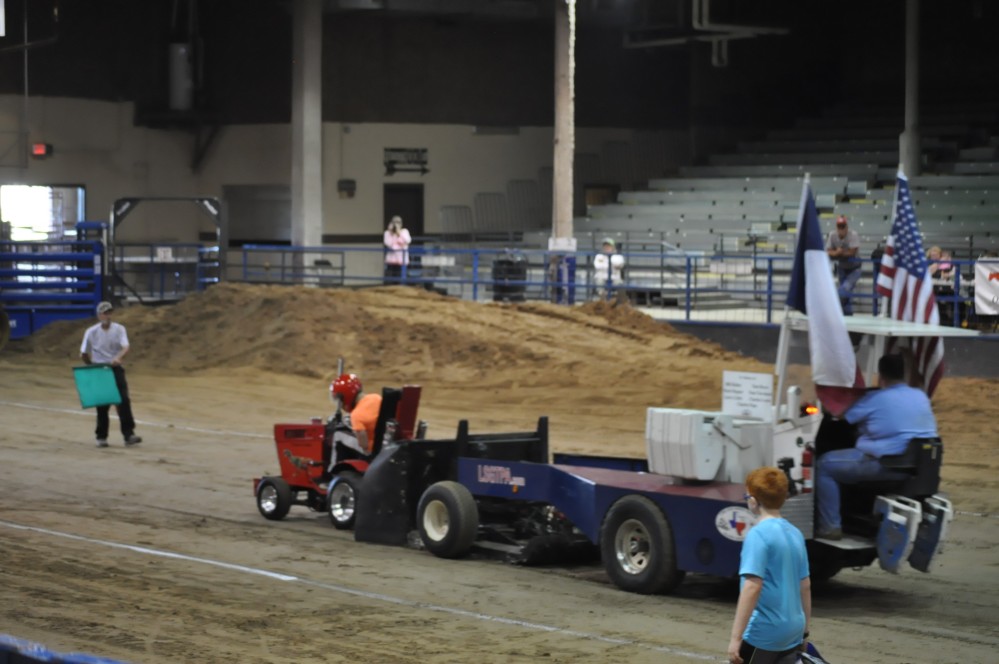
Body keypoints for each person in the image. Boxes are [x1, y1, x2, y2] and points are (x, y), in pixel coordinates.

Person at [815, 354, 938, 539]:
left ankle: (830, 526)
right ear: (903, 374)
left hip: (886, 463)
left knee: (824, 465)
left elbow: (840, 415)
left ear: (881, 376)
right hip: (919, 466)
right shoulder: (920, 395)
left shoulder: (876, 398)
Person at [727, 466, 811, 664]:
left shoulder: (758, 535)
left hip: (764, 633)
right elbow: (805, 585)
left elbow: (752, 587)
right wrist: (805, 632)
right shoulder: (796, 534)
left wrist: (735, 638)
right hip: (793, 630)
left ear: (754, 501)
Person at [79, 301, 142, 448]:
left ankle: (128, 434)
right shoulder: (91, 332)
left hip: (115, 368)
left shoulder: (119, 329)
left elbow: (126, 346)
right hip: (100, 369)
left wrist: (118, 357)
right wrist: (90, 365)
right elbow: (83, 352)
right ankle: (101, 437)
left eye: (109, 312)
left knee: (124, 400)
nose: (107, 315)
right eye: (104, 313)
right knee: (102, 404)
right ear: (99, 315)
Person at [328, 373, 382, 468]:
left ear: (345, 397)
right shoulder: (376, 397)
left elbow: (363, 444)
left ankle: (333, 470)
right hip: (384, 444)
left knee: (338, 435)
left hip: (371, 451)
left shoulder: (356, 415)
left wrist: (355, 431)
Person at [825, 215, 861, 315]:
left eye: (843, 226)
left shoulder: (853, 234)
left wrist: (839, 253)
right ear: (836, 227)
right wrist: (836, 253)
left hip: (854, 268)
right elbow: (828, 251)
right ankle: (847, 314)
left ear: (846, 227)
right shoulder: (832, 235)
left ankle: (832, 306)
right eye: (839, 226)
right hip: (842, 267)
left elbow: (852, 252)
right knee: (846, 293)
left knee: (845, 288)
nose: (841, 229)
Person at [383, 215, 412, 284]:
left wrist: (399, 233)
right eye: (394, 222)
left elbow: (407, 241)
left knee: (400, 280)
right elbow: (388, 243)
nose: (396, 224)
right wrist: (391, 233)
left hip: (402, 261)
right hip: (391, 261)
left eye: (398, 222)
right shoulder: (387, 233)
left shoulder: (404, 231)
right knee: (390, 280)